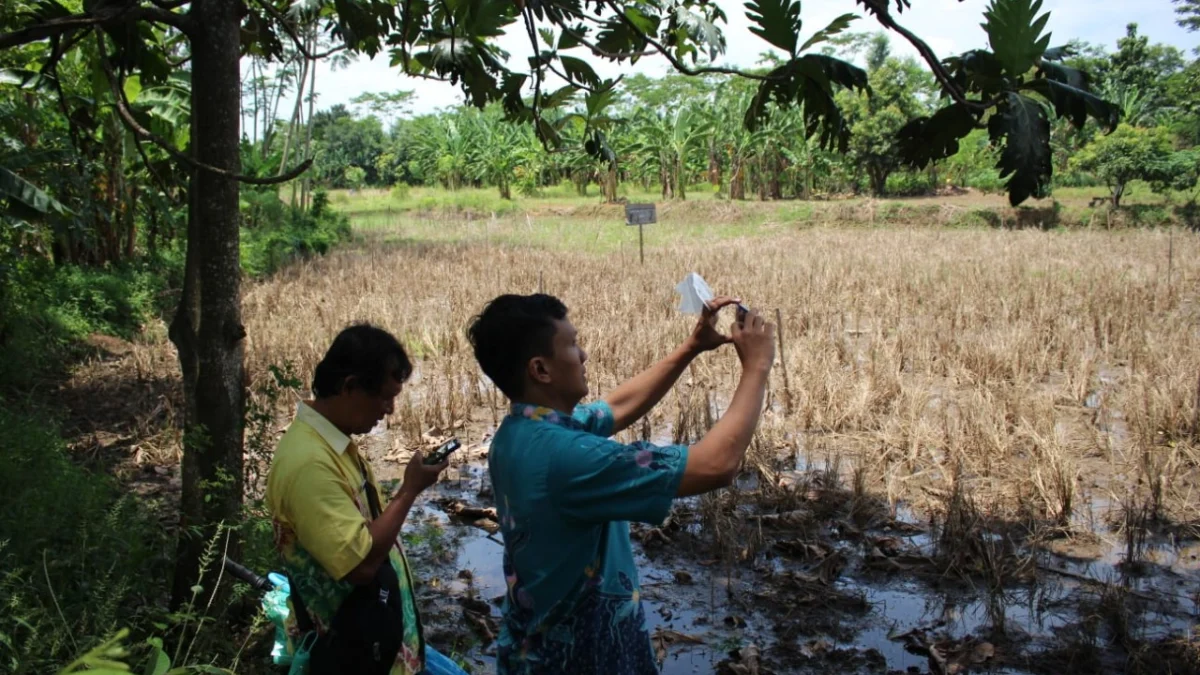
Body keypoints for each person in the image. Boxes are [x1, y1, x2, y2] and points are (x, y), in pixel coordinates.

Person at [467, 293, 776, 674]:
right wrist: (757, 367)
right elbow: (716, 465)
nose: (583, 356)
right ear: (540, 370)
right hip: (581, 659)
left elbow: (616, 407)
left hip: (535, 648)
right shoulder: (567, 458)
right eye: (572, 345)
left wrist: (692, 347)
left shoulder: (521, 431)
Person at [265, 323, 465, 675]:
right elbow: (360, 566)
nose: (389, 410)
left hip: (372, 642)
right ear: (350, 386)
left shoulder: (332, 442)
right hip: (350, 653)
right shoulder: (309, 463)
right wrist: (408, 490)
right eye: (384, 397)